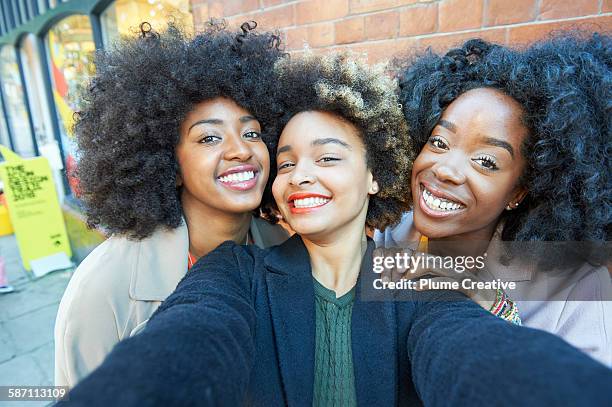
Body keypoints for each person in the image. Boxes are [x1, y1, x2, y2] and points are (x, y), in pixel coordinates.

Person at [58, 52, 612, 407]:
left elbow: (467, 348)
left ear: (374, 176)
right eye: (287, 159)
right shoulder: (233, 269)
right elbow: (194, 336)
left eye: (328, 157)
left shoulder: (419, 282)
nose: (300, 175)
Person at [54, 21, 290, 388]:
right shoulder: (104, 288)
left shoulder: (279, 246)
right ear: (168, 162)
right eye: (209, 137)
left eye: (252, 133)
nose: (241, 149)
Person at [376, 34, 612, 365]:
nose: (446, 170)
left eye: (486, 161)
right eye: (440, 143)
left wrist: (494, 306)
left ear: (518, 191)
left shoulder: (576, 289)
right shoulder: (383, 237)